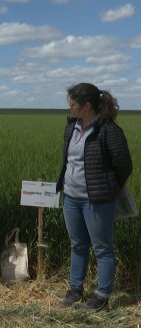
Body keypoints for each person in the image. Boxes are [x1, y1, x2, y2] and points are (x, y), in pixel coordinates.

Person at [56, 83, 132, 311]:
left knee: (103, 249)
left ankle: (101, 295)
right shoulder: (72, 126)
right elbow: (69, 161)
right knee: (77, 244)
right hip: (71, 197)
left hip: (97, 201)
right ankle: (75, 289)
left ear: (87, 105)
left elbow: (124, 166)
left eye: (73, 103)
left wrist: (109, 189)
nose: (69, 106)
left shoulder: (109, 130)